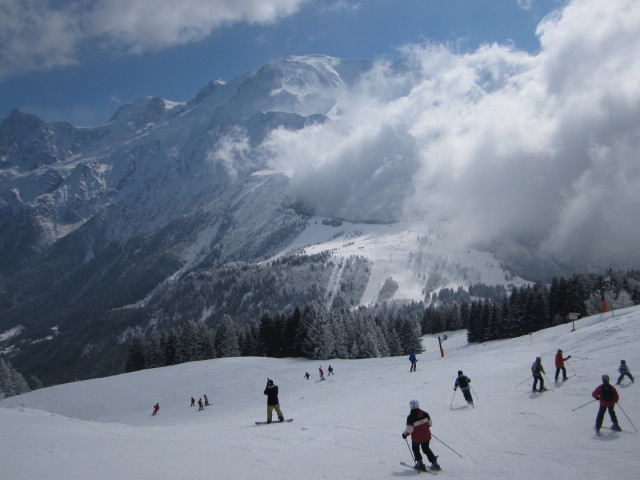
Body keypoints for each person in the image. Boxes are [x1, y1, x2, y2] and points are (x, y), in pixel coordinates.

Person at [402, 400, 441, 472]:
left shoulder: (410, 417)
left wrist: (404, 435)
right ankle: (435, 464)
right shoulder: (425, 414)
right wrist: (424, 429)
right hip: (426, 436)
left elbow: (410, 430)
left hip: (417, 438)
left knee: (416, 449)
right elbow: (430, 424)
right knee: (426, 449)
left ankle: (420, 464)